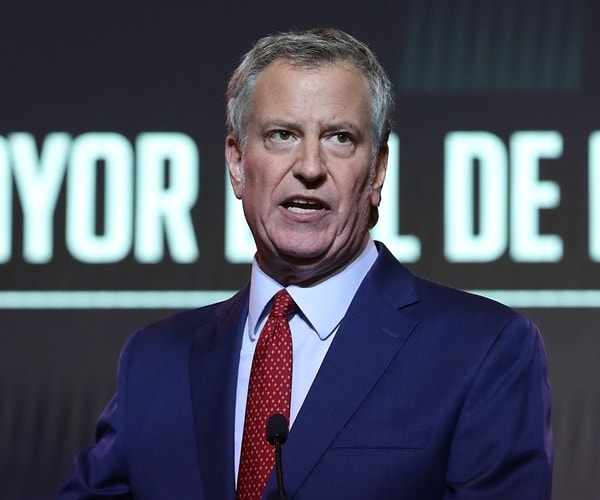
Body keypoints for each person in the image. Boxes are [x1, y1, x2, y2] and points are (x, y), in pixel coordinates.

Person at [58, 28, 553, 499]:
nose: (310, 167)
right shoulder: (155, 361)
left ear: (378, 171)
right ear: (236, 162)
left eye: (340, 138)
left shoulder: (482, 350)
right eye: (282, 135)